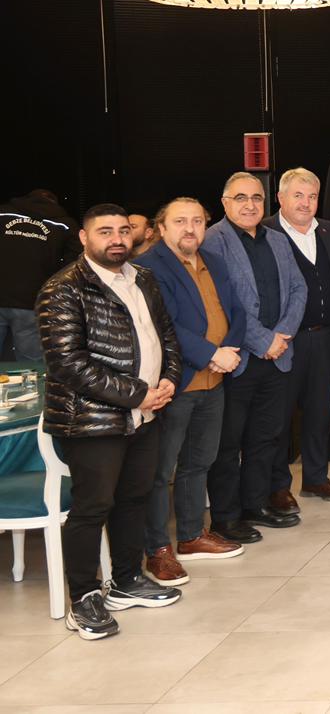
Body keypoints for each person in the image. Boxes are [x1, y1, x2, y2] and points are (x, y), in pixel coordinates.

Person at [36, 204, 183, 639]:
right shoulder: (63, 289)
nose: (117, 239)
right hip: (92, 420)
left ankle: (126, 580)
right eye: (105, 231)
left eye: (122, 230)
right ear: (84, 238)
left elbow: (165, 336)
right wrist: (139, 393)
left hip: (146, 413)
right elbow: (68, 363)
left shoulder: (143, 278)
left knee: (133, 499)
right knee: (92, 508)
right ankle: (83, 599)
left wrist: (169, 378)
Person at [134, 198, 247, 587]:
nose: (190, 228)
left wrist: (229, 351)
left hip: (214, 381)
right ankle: (157, 550)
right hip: (175, 384)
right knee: (160, 470)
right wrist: (211, 354)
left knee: (199, 462)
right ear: (161, 228)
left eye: (197, 221)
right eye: (180, 221)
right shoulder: (149, 266)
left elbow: (236, 310)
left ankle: (191, 536)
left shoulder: (213, 260)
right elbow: (163, 322)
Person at [201, 172, 307, 541]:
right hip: (238, 360)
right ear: (225, 202)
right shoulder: (213, 241)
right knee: (228, 443)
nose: (250, 205)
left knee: (266, 437)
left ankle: (256, 504)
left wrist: (282, 335)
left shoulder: (276, 239)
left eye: (257, 198)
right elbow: (223, 302)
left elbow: (298, 288)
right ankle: (226, 518)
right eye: (241, 198)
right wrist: (263, 341)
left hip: (278, 356)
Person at [264, 168, 330, 508]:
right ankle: (277, 485)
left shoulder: (329, 230)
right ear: (281, 198)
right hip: (285, 342)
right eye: (298, 195)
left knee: (319, 412)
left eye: (312, 196)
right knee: (280, 416)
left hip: (325, 337)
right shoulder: (266, 232)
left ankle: (315, 478)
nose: (305, 203)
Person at [0, 188, 79, 366]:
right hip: (33, 298)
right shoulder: (64, 224)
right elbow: (73, 262)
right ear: (54, 203)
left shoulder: (3, 213)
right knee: (32, 363)